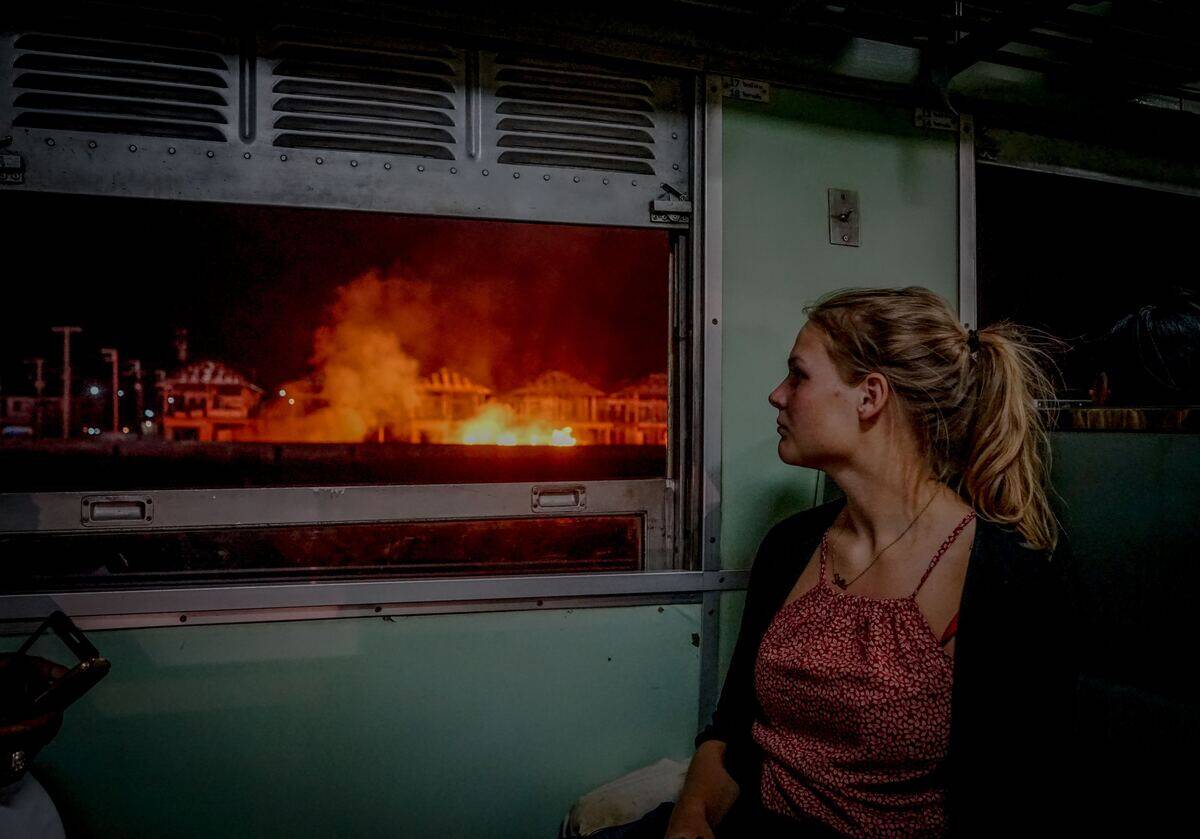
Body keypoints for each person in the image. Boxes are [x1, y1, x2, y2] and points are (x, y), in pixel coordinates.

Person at [661, 287, 1082, 838]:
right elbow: (732, 731)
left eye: (799, 375)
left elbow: (1024, 795)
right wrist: (690, 814)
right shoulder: (790, 547)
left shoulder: (1005, 575)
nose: (776, 395)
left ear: (870, 396)